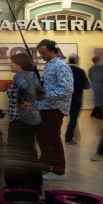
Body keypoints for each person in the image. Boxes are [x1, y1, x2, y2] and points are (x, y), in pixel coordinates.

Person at [35, 39, 73, 181]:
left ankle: (58, 172)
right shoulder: (49, 65)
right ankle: (45, 167)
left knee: (52, 140)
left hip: (54, 109)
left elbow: (67, 89)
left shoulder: (61, 66)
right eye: (40, 53)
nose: (42, 55)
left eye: (44, 52)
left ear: (53, 50)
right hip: (44, 108)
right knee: (43, 139)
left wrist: (45, 96)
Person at [4, 53, 44, 191]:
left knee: (15, 151)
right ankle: (33, 182)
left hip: (20, 119)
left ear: (19, 64)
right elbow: (40, 93)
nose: (10, 64)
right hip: (30, 119)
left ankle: (14, 183)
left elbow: (25, 88)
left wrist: (21, 101)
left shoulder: (19, 76)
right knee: (28, 151)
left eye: (12, 62)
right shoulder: (32, 75)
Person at [65, 54, 90, 145]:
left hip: (65, 98)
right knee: (73, 118)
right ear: (77, 61)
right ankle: (68, 138)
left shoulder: (64, 70)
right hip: (76, 98)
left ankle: (76, 136)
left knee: (71, 118)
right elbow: (87, 86)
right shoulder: (80, 71)